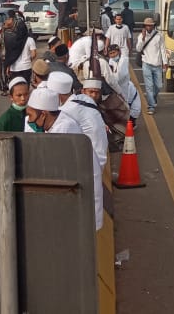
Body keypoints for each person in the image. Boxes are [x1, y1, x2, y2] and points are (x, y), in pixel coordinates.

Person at [53, 72, 108, 231]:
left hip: (90, 166)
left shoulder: (68, 110)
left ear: (58, 95)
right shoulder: (81, 101)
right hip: (96, 159)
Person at [135, 16, 166, 115]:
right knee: (149, 86)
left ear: (153, 26)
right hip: (146, 64)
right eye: (147, 26)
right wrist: (143, 38)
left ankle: (153, 98)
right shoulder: (141, 36)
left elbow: (163, 49)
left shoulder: (159, 36)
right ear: (144, 26)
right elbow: (138, 49)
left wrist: (165, 62)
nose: (148, 27)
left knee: (158, 86)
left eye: (150, 26)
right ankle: (151, 106)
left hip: (157, 64)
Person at [105, 43, 141, 123]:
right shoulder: (111, 61)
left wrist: (108, 78)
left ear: (119, 52)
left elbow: (119, 77)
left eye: (114, 52)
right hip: (117, 89)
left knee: (129, 107)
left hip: (125, 88)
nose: (113, 55)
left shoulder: (124, 60)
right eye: (110, 53)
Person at [0, 14, 26, 96]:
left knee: (4, 73)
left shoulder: (3, 35)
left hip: (5, 56)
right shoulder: (12, 34)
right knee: (9, 73)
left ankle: (5, 89)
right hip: (9, 56)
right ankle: (9, 88)